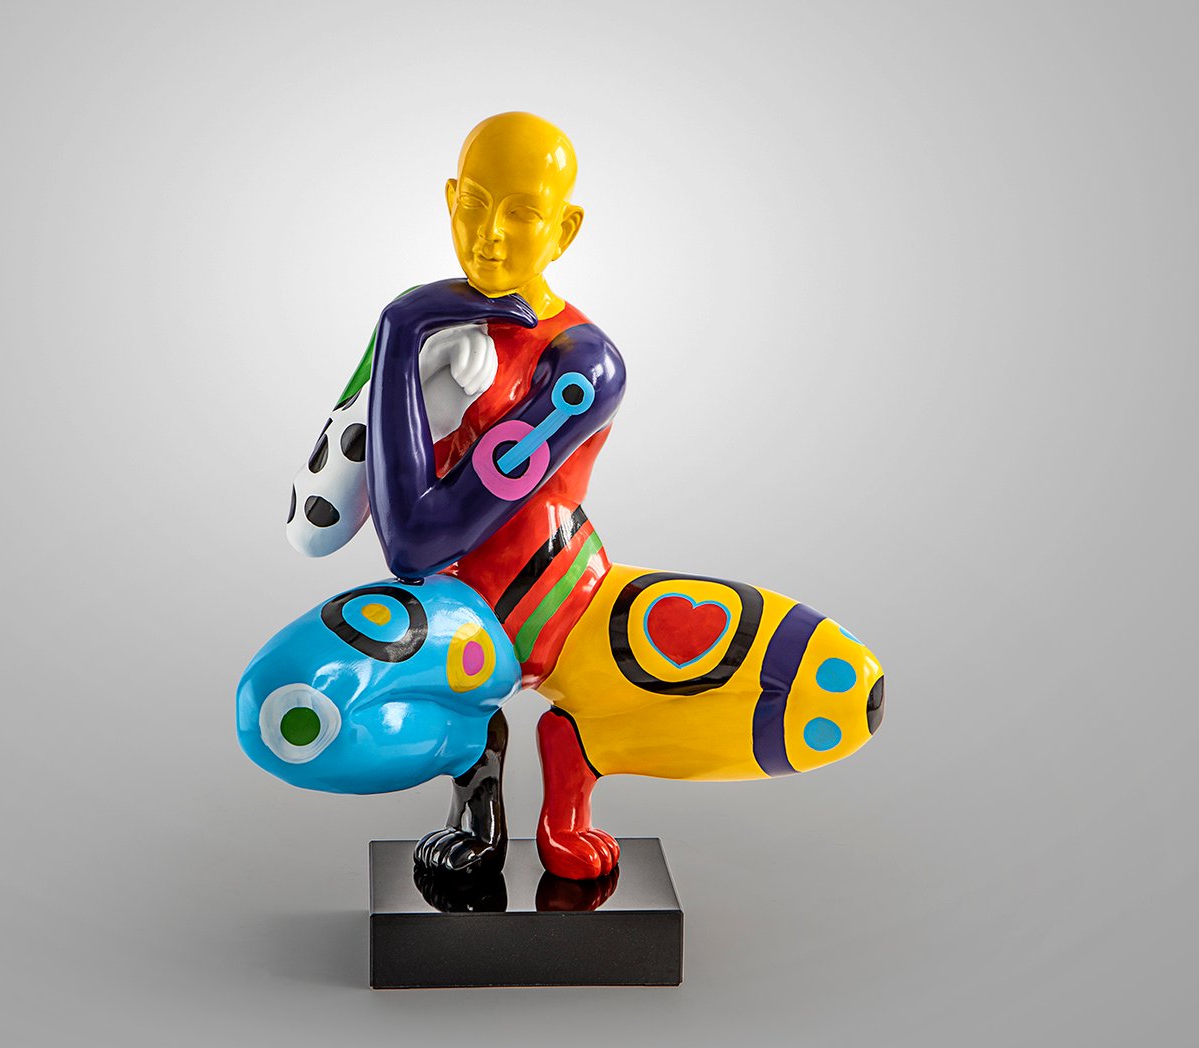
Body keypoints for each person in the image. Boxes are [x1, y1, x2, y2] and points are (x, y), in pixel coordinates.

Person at [279, 113, 884, 880]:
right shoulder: (421, 315)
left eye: (521, 213)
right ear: (449, 199)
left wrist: (401, 337)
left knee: (828, 685)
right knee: (287, 709)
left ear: (565, 229)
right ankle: (473, 755)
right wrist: (402, 343)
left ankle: (576, 762)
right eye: (474, 204)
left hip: (567, 611)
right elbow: (316, 522)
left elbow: (417, 540)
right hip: (451, 618)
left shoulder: (584, 363)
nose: (488, 236)